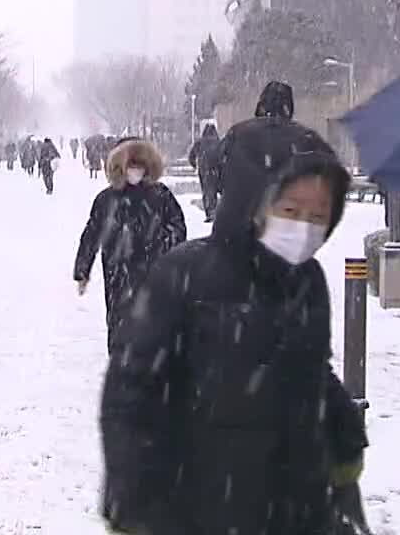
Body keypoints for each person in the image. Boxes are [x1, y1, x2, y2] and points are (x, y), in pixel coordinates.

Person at [100, 115, 367, 534]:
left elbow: (309, 372)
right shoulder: (183, 275)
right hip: (197, 511)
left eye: (318, 216)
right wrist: (135, 507)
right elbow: (130, 395)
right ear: (253, 203)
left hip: (295, 512)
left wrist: (342, 435)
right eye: (291, 210)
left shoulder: (308, 282)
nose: (303, 228)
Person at [73, 137, 186, 352]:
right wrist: (82, 270)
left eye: (140, 166)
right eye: (131, 166)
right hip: (119, 275)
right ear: (120, 167)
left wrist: (163, 246)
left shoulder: (160, 196)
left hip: (155, 274)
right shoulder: (106, 200)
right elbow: (91, 235)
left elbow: (178, 227)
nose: (136, 171)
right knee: (120, 328)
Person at [190, 121, 222, 223]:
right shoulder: (219, 142)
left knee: (207, 192)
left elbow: (191, 156)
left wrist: (195, 165)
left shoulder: (200, 143)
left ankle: (210, 212)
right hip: (218, 170)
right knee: (219, 191)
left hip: (205, 170)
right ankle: (218, 212)